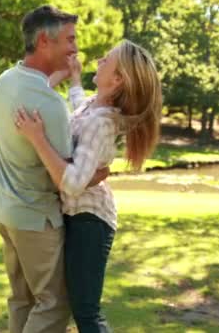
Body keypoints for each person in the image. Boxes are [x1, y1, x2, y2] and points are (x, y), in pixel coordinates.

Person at [14, 40, 163, 332]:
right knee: (71, 303)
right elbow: (78, 103)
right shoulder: (94, 106)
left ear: (118, 79)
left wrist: (37, 138)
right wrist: (75, 78)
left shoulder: (102, 123)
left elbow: (71, 183)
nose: (99, 60)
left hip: (89, 221)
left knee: (86, 311)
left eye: (106, 60)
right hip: (76, 216)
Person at [0, 5, 108, 333]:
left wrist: (70, 78)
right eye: (69, 40)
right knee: (54, 305)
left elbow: (38, 88)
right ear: (44, 41)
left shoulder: (7, 81)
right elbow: (65, 176)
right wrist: (91, 176)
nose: (75, 48)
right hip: (36, 218)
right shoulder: (51, 106)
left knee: (22, 300)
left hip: (5, 211)